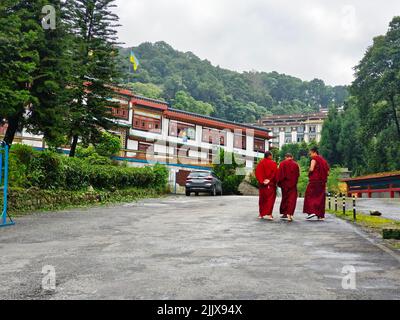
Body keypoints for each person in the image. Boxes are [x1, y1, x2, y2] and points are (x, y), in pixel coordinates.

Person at [303, 147, 330, 221]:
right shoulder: (324, 161)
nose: (310, 155)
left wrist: (309, 173)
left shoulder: (314, 159)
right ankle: (320, 216)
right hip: (322, 182)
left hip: (314, 181)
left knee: (310, 195)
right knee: (321, 197)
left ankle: (312, 211)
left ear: (314, 152)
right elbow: (328, 172)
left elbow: (311, 169)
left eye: (310, 153)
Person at [255, 151, 278, 221]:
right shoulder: (273, 163)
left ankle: (261, 214)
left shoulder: (260, 163)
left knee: (262, 199)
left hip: (262, 185)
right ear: (269, 156)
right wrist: (270, 180)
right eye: (272, 155)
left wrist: (262, 181)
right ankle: (269, 214)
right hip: (270, 184)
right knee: (270, 199)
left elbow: (257, 172)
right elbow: (275, 173)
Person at [277, 153, 300, 222]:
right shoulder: (296, 164)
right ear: (292, 157)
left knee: (285, 198)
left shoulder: (282, 163)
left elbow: (280, 174)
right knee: (291, 199)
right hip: (293, 185)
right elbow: (298, 174)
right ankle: (289, 214)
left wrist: (279, 183)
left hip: (284, 185)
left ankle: (285, 213)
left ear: (285, 157)